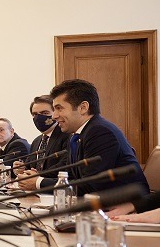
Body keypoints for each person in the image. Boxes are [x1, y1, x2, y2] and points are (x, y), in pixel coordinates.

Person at [17, 79, 149, 196]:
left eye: (59, 108)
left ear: (83, 107)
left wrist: (39, 182)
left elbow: (90, 186)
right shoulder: (77, 135)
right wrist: (38, 177)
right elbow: (70, 175)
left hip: (127, 206)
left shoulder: (100, 132)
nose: (54, 116)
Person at [26, 95, 69, 173]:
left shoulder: (67, 135)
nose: (38, 118)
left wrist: (38, 175)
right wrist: (21, 169)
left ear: (55, 113)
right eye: (35, 114)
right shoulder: (36, 141)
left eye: (45, 113)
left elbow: (65, 165)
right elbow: (29, 166)